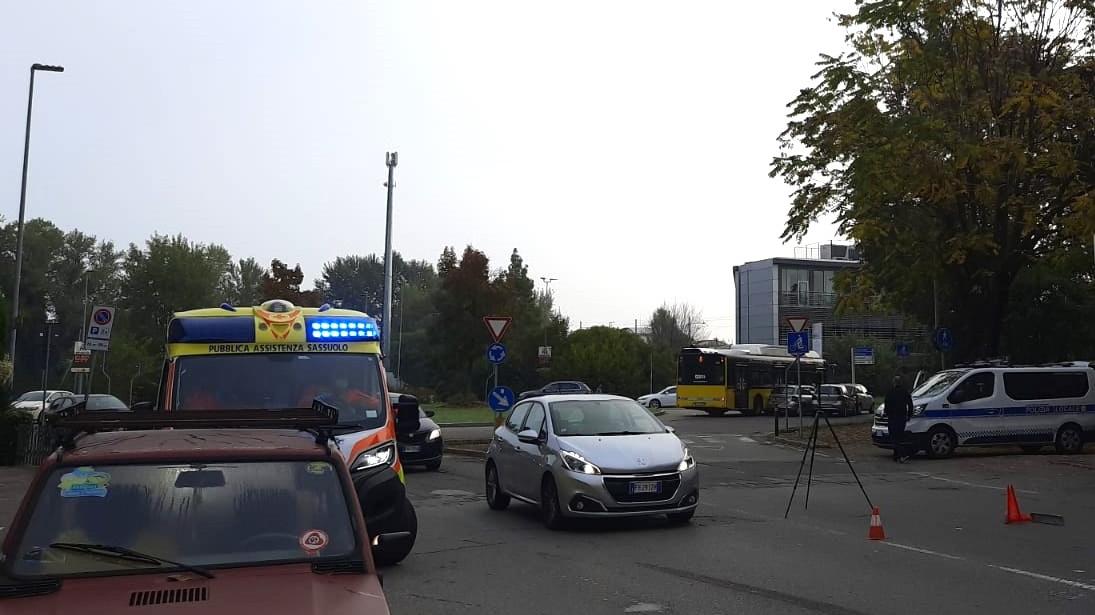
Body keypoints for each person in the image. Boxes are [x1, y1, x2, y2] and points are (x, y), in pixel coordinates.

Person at [884, 375, 914, 463]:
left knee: (893, 437)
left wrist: (887, 414)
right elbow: (910, 404)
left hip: (892, 417)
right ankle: (897, 455)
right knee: (899, 436)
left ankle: (902, 453)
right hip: (902, 416)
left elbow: (887, 404)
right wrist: (909, 414)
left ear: (894, 383)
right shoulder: (904, 392)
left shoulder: (890, 392)